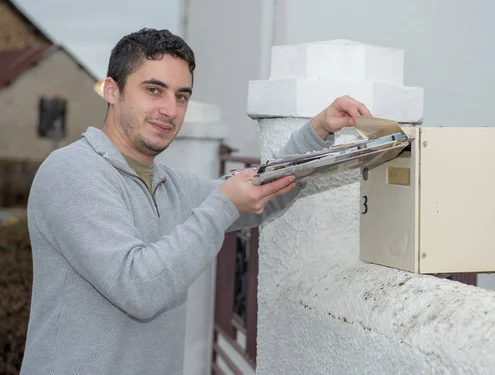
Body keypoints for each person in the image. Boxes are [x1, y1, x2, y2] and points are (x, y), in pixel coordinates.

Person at [20, 28, 372, 375]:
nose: (170, 109)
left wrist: (318, 130)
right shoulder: (71, 172)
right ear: (112, 91)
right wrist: (221, 205)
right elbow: (138, 288)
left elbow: (263, 193)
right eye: (154, 90)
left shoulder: (168, 184)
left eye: (182, 96)